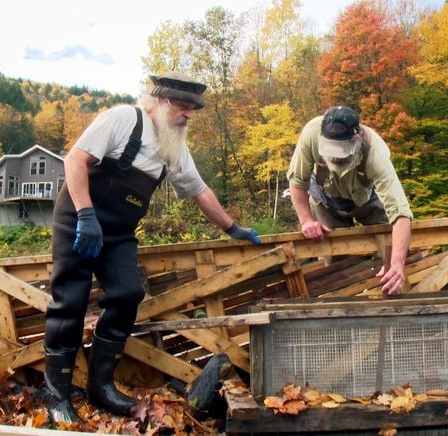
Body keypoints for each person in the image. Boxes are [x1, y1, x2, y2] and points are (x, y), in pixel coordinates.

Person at [45, 71, 261, 423]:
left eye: (193, 108)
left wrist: (231, 227)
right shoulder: (122, 120)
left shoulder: (172, 145)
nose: (188, 114)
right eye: (182, 106)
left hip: (117, 234)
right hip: (79, 223)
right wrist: (85, 215)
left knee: (128, 293)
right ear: (159, 101)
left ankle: (101, 387)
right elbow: (75, 161)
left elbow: (198, 190)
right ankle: (57, 397)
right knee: (69, 302)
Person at [286, 105, 412, 296]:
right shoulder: (311, 133)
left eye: (341, 152)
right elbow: (297, 182)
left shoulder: (375, 152)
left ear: (357, 138)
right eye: (331, 151)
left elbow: (401, 213)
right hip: (325, 201)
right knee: (335, 263)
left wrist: (397, 264)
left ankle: (383, 298)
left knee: (388, 253)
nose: (336, 157)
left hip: (367, 199)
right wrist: (306, 220)